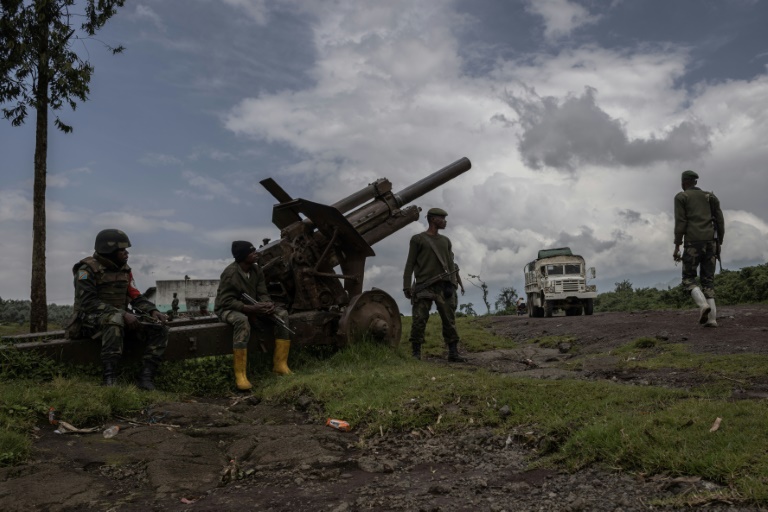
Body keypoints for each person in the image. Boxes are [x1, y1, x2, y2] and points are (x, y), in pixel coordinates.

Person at [67, 229, 168, 389]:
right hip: (90, 321)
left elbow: (135, 296)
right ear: (109, 251)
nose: (126, 254)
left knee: (158, 328)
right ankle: (110, 378)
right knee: (114, 321)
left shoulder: (125, 270)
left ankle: (146, 377)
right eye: (122, 250)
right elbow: (88, 303)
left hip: (119, 317)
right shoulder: (85, 270)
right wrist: (121, 314)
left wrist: (152, 311)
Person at [214, 241, 292, 391]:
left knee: (282, 314)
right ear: (243, 256)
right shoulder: (230, 274)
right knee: (241, 321)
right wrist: (251, 308)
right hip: (227, 309)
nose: (256, 253)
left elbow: (262, 293)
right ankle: (241, 376)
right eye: (252, 252)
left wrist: (267, 305)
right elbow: (226, 301)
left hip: (252, 306)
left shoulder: (256, 270)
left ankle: (280, 364)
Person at [403, 207, 465, 362]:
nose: (445, 221)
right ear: (432, 220)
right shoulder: (417, 239)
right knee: (419, 320)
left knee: (449, 320)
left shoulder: (446, 241)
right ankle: (416, 353)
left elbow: (451, 265)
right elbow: (410, 264)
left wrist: (452, 284)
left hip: (444, 286)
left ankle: (453, 353)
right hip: (424, 286)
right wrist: (406, 285)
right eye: (441, 218)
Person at [673, 170, 724, 327]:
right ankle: (713, 319)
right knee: (708, 280)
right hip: (711, 242)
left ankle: (703, 305)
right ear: (695, 182)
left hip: (693, 242)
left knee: (688, 278)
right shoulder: (711, 197)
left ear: (684, 182)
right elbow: (720, 220)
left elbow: (681, 222)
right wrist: (719, 243)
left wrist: (677, 245)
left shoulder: (682, 197)